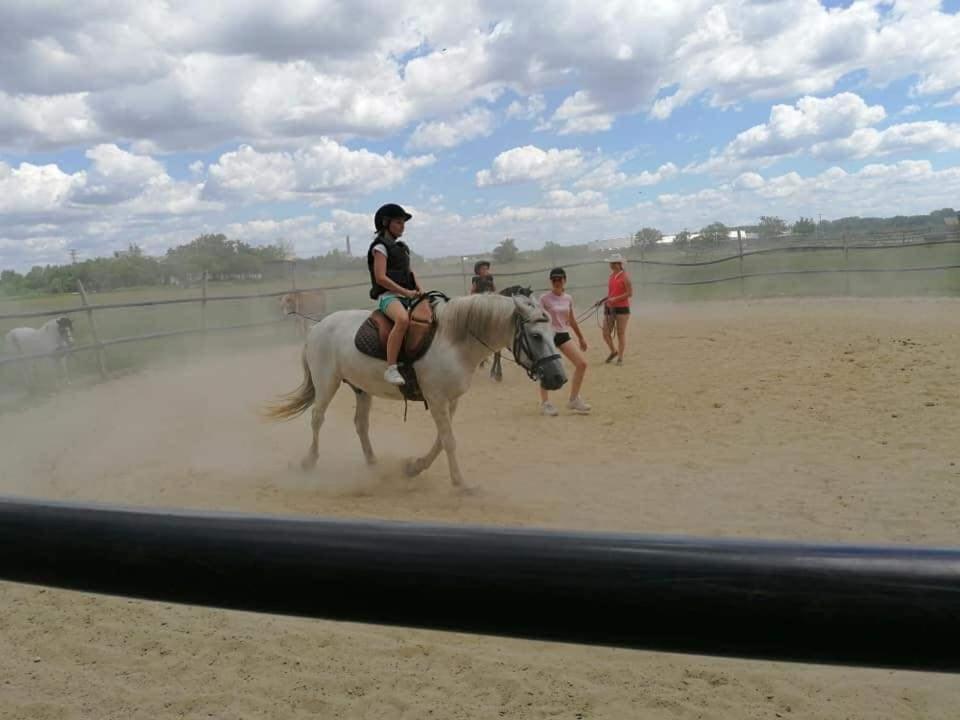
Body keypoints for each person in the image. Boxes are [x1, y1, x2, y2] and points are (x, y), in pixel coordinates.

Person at [366, 203, 423, 385]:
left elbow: (410, 272)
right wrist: (405, 291)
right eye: (398, 222)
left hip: (407, 295)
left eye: (403, 223)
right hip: (389, 296)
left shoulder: (402, 248)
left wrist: (420, 290)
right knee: (403, 320)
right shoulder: (380, 248)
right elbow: (381, 278)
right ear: (386, 223)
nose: (402, 226)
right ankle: (391, 368)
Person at [538, 267, 591, 415]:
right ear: (550, 281)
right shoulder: (544, 298)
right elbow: (539, 318)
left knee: (582, 364)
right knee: (545, 369)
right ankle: (545, 403)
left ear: (564, 280)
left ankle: (573, 399)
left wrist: (581, 337)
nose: (557, 282)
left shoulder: (568, 298)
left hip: (563, 335)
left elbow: (571, 319)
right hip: (549, 336)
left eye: (559, 279)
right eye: (554, 280)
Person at [601, 253, 633, 366]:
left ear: (620, 264)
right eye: (611, 263)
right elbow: (611, 293)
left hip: (622, 308)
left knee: (620, 333)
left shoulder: (625, 277)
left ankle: (620, 357)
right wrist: (603, 300)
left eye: (614, 263)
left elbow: (629, 293)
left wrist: (615, 299)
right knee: (605, 332)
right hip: (610, 307)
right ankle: (613, 351)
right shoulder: (611, 277)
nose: (612, 265)